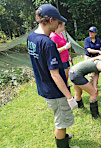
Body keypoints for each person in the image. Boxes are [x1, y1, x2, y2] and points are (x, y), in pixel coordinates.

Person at [27, 4, 78, 148]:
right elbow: (55, 74)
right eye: (57, 21)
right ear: (50, 20)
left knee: (59, 117)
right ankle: (63, 145)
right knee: (61, 121)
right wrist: (69, 97)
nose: (58, 25)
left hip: (44, 87)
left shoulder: (32, 37)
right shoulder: (48, 44)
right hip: (55, 90)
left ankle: (64, 136)